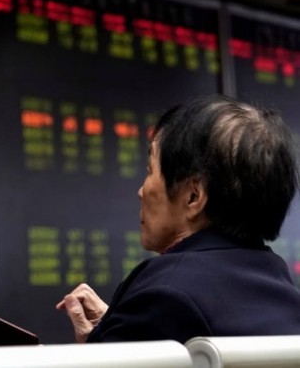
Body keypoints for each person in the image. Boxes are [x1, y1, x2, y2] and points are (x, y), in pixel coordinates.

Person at [56, 95, 300, 343]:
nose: (140, 191)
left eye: (150, 170)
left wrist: (98, 347)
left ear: (193, 196)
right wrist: (119, 327)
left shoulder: (164, 294)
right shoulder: (283, 289)